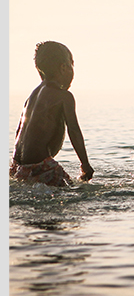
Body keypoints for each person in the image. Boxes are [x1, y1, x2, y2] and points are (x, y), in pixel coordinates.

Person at [10, 41, 94, 187]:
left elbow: (19, 132)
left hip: (18, 168)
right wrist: (85, 165)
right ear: (63, 67)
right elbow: (73, 130)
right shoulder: (64, 96)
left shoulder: (31, 97)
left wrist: (15, 168)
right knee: (76, 190)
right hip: (42, 167)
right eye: (71, 65)